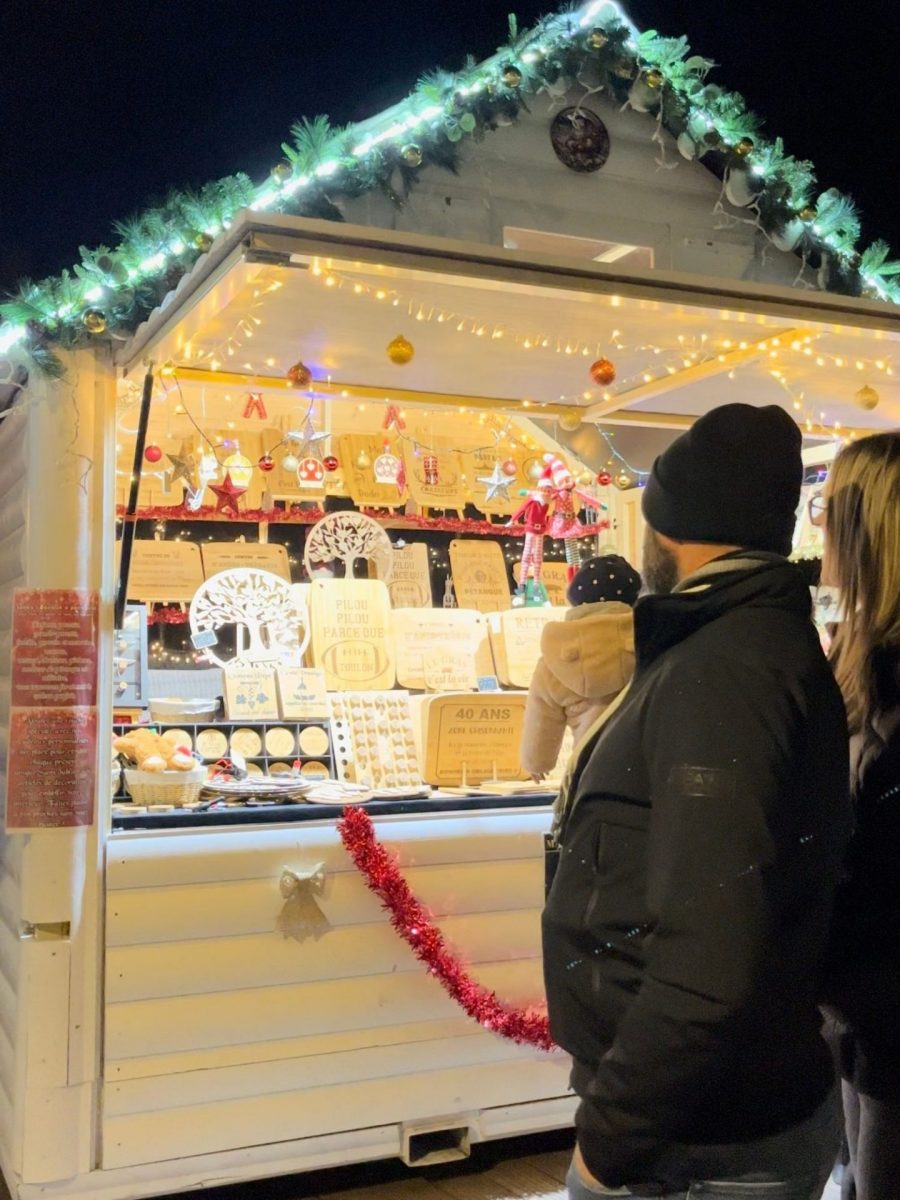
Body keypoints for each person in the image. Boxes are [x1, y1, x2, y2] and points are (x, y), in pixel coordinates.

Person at [542, 402, 852, 1200]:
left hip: (700, 1144)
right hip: (708, 1122)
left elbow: (710, 949)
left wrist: (605, 1148)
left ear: (669, 527)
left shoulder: (722, 671)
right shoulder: (735, 648)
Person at [817, 432, 900, 1200]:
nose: (817, 528)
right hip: (858, 1007)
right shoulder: (857, 652)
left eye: (828, 509)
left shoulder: (884, 670)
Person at [521, 555, 639, 781]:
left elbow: (541, 713)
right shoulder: (648, 642)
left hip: (588, 772)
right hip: (644, 771)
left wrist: (536, 762)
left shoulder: (555, 656)